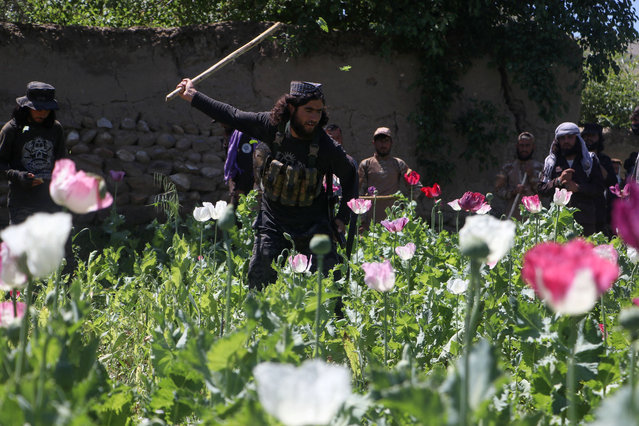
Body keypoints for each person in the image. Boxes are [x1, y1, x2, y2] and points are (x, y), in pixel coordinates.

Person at [176, 78, 357, 290]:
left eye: (318, 111)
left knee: (329, 289)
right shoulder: (271, 126)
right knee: (259, 284)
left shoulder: (327, 147)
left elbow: (350, 174)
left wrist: (342, 217)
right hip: (274, 221)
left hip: (313, 223)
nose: (314, 118)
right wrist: (193, 96)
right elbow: (233, 115)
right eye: (309, 110)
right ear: (291, 107)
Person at [0, 81, 67, 225]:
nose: (43, 113)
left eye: (46, 109)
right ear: (26, 107)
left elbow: (62, 162)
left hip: (50, 202)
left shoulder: (55, 129)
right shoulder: (12, 130)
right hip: (22, 202)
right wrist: (18, 176)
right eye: (38, 109)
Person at [538, 122, 604, 236]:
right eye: (562, 138)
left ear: (577, 138)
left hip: (584, 222)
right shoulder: (551, 162)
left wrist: (578, 188)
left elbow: (598, 189)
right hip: (558, 222)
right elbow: (541, 189)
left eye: (570, 137)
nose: (566, 141)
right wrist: (558, 180)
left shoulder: (590, 161)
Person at [358, 127, 420, 223]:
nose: (383, 144)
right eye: (379, 141)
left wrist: (405, 207)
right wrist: (361, 220)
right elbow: (359, 194)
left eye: (386, 140)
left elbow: (416, 187)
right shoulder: (366, 164)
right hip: (370, 222)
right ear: (373, 143)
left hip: (393, 221)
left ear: (391, 143)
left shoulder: (399, 164)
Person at [494, 132, 543, 219]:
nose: (524, 149)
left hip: (533, 217)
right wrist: (513, 192)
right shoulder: (508, 168)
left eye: (527, 145)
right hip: (512, 216)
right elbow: (498, 190)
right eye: (522, 145)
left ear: (533, 147)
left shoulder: (540, 168)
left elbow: (543, 192)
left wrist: (532, 176)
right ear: (517, 146)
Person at [581, 123, 617, 235]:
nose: (589, 139)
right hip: (581, 208)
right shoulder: (578, 158)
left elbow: (612, 183)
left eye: (592, 136)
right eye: (586, 136)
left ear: (599, 138)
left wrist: (595, 162)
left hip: (599, 211)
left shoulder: (605, 160)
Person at [221, 123, 258, 206]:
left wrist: (241, 188)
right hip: (237, 185)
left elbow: (246, 163)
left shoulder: (243, 136)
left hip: (244, 187)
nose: (222, 125)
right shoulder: (232, 135)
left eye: (222, 122)